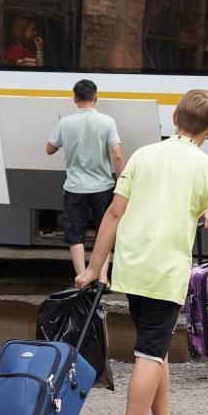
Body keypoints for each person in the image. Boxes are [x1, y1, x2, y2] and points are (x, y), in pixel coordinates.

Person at [75, 90, 208, 415]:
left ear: (175, 118)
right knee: (148, 353)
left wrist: (95, 268)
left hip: (132, 265)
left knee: (155, 347)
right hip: (165, 270)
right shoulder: (206, 165)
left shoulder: (144, 155)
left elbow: (113, 213)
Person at [46, 79, 124, 282]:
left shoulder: (65, 123)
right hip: (103, 187)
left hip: (74, 188)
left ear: (74, 99)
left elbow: (49, 149)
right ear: (96, 98)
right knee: (104, 232)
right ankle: (102, 277)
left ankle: (81, 276)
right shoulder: (107, 122)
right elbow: (116, 155)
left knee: (75, 234)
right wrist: (122, 180)